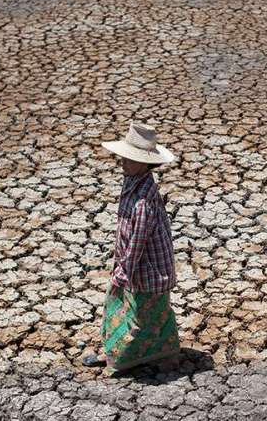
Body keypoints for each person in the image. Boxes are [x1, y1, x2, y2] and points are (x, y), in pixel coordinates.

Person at [82, 123, 180, 375]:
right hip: (131, 263)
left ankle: (125, 358)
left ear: (145, 163)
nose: (123, 162)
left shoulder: (143, 200)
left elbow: (138, 241)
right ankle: (119, 351)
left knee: (142, 317)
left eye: (129, 158)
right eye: (123, 157)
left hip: (147, 268)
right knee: (122, 307)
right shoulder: (134, 183)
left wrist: (124, 271)